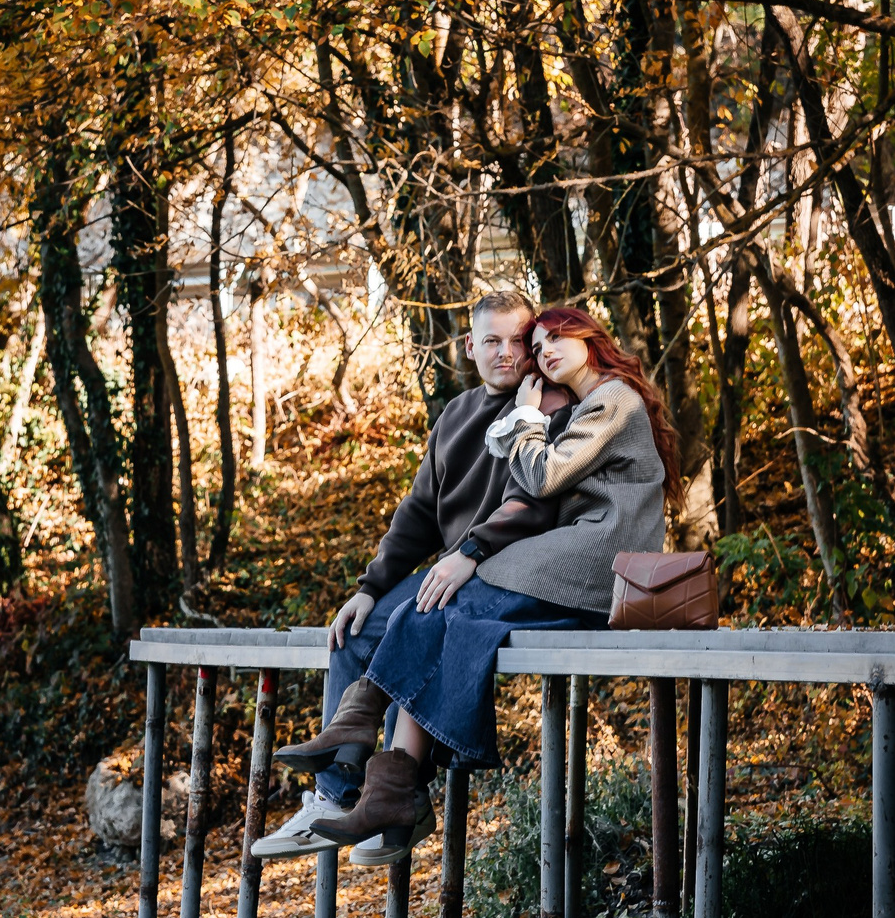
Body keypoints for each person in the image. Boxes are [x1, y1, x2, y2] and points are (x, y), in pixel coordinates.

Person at [300, 305, 676, 862]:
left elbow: (540, 478)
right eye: (539, 342)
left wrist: (524, 416)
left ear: (590, 339)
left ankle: (370, 730)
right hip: (577, 549)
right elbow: (428, 507)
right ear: (469, 347)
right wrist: (376, 581)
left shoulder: (610, 398)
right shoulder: (490, 408)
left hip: (603, 555)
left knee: (451, 594)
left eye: (552, 340)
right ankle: (388, 782)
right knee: (447, 607)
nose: (542, 351)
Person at [249, 290, 545, 862]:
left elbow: (533, 501)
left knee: (419, 619)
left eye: (517, 341)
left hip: (501, 573)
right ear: (470, 346)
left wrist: (474, 555)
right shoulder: (455, 415)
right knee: (355, 630)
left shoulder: (543, 405)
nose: (507, 353)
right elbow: (417, 513)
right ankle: (337, 797)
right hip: (451, 566)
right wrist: (369, 587)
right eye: (492, 341)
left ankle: (393, 793)